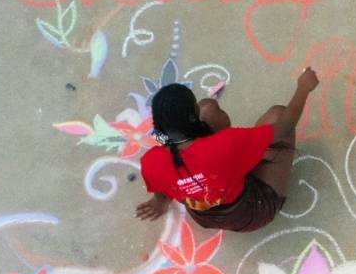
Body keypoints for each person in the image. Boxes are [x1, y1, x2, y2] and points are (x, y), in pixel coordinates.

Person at [136, 68, 320, 233]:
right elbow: (284, 128)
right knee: (278, 113)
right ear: (193, 118)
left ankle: (229, 173)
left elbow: (159, 185)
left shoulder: (150, 161)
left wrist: (159, 202)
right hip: (252, 212)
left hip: (205, 213)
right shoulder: (225, 145)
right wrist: (303, 88)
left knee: (207, 106)